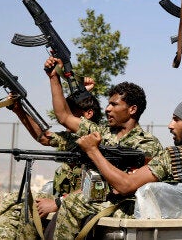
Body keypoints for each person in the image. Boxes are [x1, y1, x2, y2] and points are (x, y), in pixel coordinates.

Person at [52, 97, 182, 239]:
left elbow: (125, 185)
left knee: (74, 203)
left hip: (155, 220)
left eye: (176, 120)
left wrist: (92, 151)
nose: (170, 125)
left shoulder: (174, 156)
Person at [44, 57, 164, 239]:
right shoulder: (101, 132)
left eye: (114, 104)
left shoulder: (147, 144)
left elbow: (129, 186)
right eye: (108, 104)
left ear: (132, 109)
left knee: (73, 203)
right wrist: (54, 78)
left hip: (124, 204)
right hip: (95, 198)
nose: (107, 109)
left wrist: (94, 152)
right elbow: (64, 116)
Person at [0, 78, 101, 240]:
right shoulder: (72, 139)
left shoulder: (101, 141)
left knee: (32, 211)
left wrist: (57, 203)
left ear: (88, 114)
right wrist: (19, 109)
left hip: (81, 203)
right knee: (12, 199)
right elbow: (44, 137)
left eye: (70, 112)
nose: (64, 117)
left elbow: (96, 187)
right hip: (66, 199)